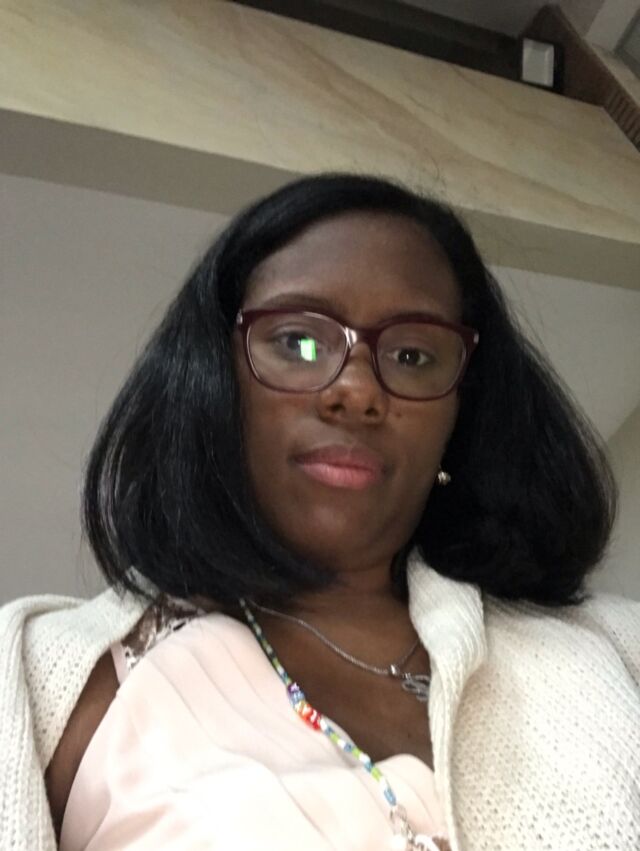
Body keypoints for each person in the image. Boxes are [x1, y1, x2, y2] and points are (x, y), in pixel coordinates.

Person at [1, 174, 639, 851]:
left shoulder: (611, 652)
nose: (358, 390)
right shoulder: (44, 688)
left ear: (462, 412)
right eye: (298, 342)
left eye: (412, 355)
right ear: (213, 379)